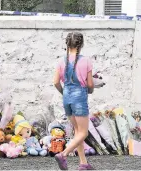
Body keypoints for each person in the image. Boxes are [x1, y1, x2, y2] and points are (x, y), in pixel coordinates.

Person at [53, 32, 95, 170]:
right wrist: (91, 90)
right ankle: (63, 154)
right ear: (81, 45)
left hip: (67, 97)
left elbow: (56, 82)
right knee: (83, 133)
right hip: (79, 98)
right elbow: (89, 85)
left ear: (67, 44)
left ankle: (83, 163)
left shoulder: (61, 61)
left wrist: (63, 92)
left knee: (78, 131)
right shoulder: (86, 61)